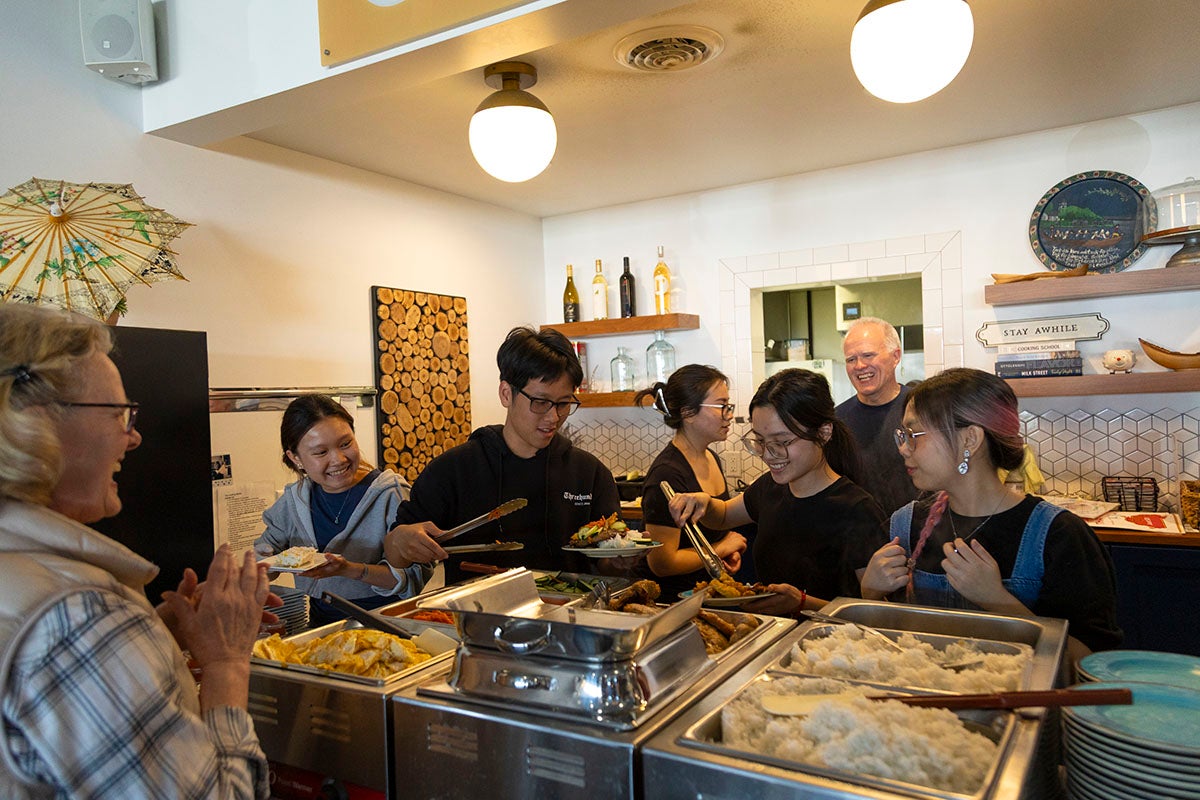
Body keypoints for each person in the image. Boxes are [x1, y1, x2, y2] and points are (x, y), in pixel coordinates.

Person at [0, 303, 273, 799]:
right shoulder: (79, 618)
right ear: (37, 426)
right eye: (118, 413)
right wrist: (226, 663)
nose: (134, 436)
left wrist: (155, 638)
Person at [859, 367, 1121, 661]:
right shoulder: (905, 525)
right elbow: (887, 644)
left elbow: (1092, 662)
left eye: (914, 434)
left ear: (970, 439)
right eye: (902, 435)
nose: (904, 449)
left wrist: (998, 602)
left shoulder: (1058, 535)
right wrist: (870, 594)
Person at [385, 326, 620, 584]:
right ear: (506, 393)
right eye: (540, 402)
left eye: (564, 403)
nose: (553, 417)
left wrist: (622, 558)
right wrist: (402, 541)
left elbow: (607, 564)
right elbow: (395, 555)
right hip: (481, 615)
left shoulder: (590, 473)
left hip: (573, 614)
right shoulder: (454, 470)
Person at [668, 369, 888, 615]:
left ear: (824, 433)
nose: (768, 455)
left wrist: (804, 603)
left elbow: (877, 614)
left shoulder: (857, 510)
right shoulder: (770, 488)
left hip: (828, 648)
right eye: (760, 441)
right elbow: (722, 516)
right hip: (769, 636)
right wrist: (704, 503)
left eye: (782, 442)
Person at [253, 394, 429, 626]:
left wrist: (348, 569)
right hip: (320, 626)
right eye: (320, 452)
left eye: (345, 444)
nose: (338, 459)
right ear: (295, 458)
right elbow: (266, 554)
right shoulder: (295, 500)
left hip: (385, 627)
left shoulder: (390, 493)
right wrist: (265, 564)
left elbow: (414, 578)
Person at [634, 366, 748, 600]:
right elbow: (662, 563)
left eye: (729, 406)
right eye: (721, 406)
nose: (728, 414)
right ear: (688, 413)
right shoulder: (667, 474)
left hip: (707, 594)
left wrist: (726, 554)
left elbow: (713, 533)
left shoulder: (711, 458)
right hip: (671, 601)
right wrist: (720, 550)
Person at [835, 317, 920, 516]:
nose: (860, 366)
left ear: (896, 356)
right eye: (851, 359)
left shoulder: (923, 409)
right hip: (863, 537)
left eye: (868, 355)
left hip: (923, 532)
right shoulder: (836, 422)